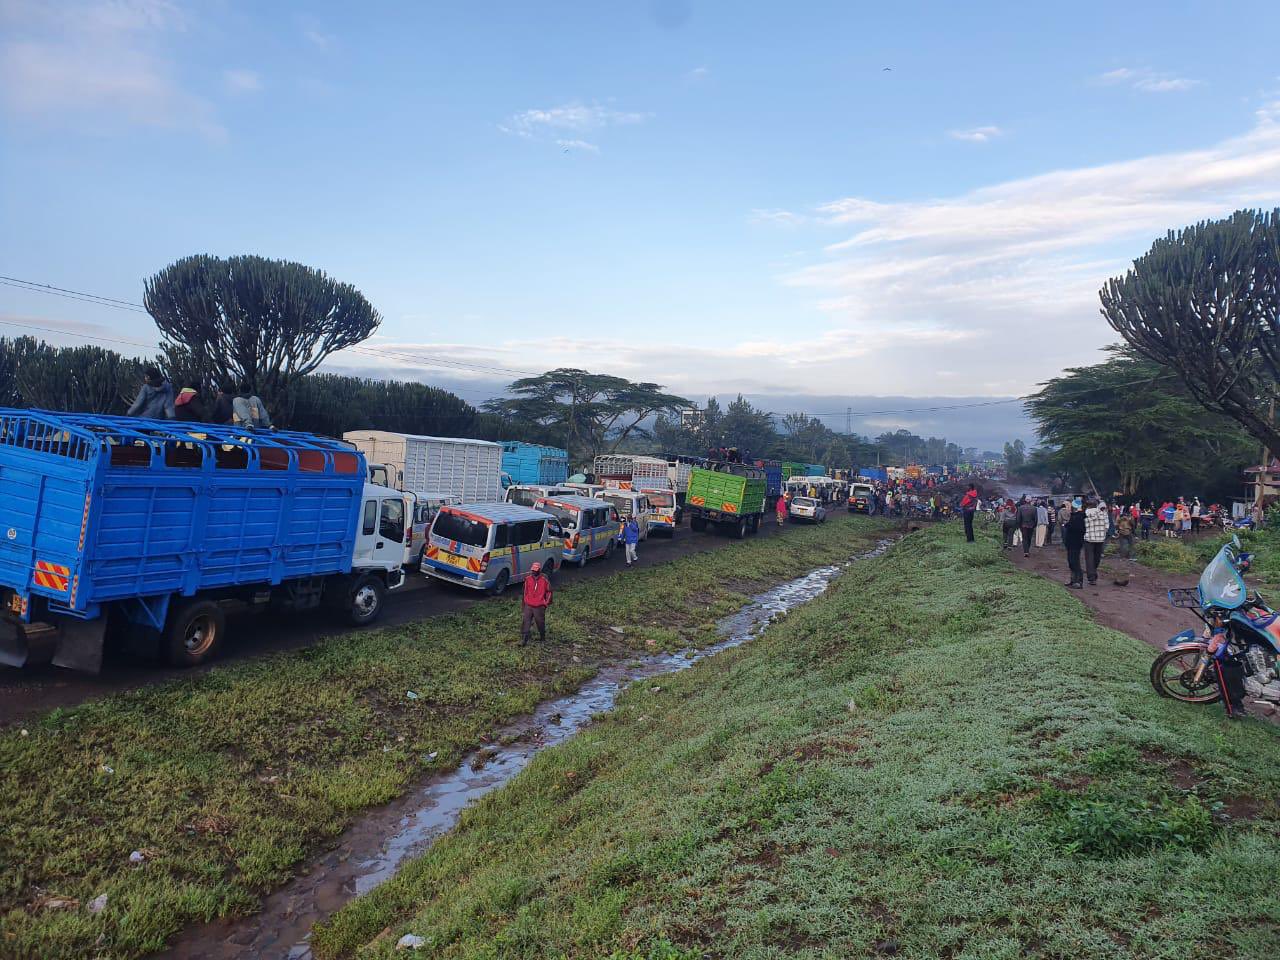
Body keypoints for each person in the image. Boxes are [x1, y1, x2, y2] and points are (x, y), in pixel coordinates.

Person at [519, 561, 552, 646]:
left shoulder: (544, 580)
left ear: (539, 570)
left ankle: (542, 638)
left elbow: (549, 592)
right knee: (526, 621)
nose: (533, 572)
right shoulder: (528, 579)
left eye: (535, 570)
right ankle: (524, 639)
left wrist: (545, 603)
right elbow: (525, 591)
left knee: (540, 622)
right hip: (528, 605)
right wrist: (524, 603)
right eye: (533, 570)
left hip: (539, 606)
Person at [1083, 497, 1109, 586]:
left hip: (1088, 539)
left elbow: (1082, 527)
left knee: (1089, 558)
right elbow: (1107, 527)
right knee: (1097, 558)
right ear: (1096, 505)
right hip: (1100, 539)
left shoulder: (1084, 514)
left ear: (1087, 505)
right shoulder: (1103, 514)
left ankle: (1091, 577)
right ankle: (1094, 571)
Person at [1063, 497, 1086, 589]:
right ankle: (1073, 580)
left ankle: (1078, 581)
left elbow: (1076, 528)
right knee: (1071, 562)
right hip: (1073, 542)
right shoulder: (1077, 516)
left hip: (1075, 543)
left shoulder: (1078, 517)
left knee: (1074, 562)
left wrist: (1067, 525)